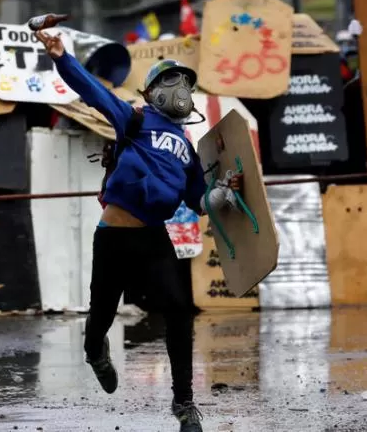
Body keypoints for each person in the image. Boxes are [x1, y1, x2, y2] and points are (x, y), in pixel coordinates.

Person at [35, 28, 242, 432]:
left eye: (184, 80)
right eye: (169, 80)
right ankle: (95, 349)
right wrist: (61, 55)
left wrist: (222, 194)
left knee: (180, 310)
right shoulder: (133, 118)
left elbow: (198, 202)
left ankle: (184, 406)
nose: (179, 87)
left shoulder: (188, 146)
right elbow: (92, 90)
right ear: (150, 92)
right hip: (113, 235)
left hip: (153, 236)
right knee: (102, 313)